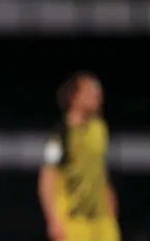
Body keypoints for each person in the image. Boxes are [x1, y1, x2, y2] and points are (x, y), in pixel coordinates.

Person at [38, 72, 120, 241]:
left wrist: (110, 200)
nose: (98, 96)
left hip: (102, 221)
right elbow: (47, 179)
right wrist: (53, 220)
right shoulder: (61, 135)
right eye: (91, 91)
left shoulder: (99, 130)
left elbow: (100, 169)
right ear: (74, 97)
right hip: (73, 222)